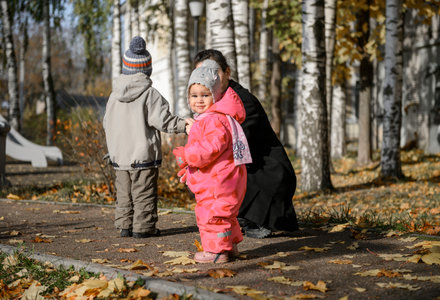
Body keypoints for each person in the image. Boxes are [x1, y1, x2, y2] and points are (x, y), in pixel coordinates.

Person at [193, 49, 298, 238]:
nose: (207, 78)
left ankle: (252, 219)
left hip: (266, 175)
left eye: (213, 72)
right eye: (200, 73)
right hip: (253, 171)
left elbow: (226, 145)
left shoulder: (239, 101)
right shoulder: (214, 99)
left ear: (227, 72)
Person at [103, 36, 193, 238]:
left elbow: (106, 123)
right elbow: (163, 120)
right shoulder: (149, 94)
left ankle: (124, 226)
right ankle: (143, 228)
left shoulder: (113, 95)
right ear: (146, 70)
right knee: (144, 194)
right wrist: (183, 126)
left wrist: (114, 148)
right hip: (143, 156)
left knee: (124, 195)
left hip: (120, 158)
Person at [173, 59, 251, 263]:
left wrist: (186, 155)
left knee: (211, 215)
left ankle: (216, 252)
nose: (199, 100)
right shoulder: (214, 117)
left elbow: (210, 149)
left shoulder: (214, 119)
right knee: (225, 215)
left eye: (205, 95)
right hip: (223, 177)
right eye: (194, 96)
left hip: (217, 180)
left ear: (215, 96)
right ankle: (229, 246)